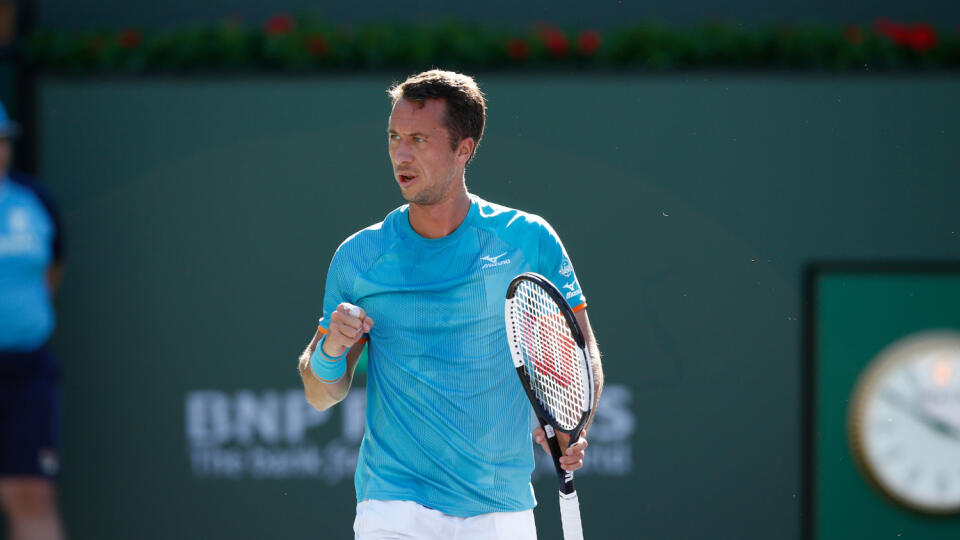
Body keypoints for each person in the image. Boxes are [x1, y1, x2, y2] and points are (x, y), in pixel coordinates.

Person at [298, 70, 603, 539]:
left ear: (464, 149)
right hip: (393, 509)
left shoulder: (529, 240)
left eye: (419, 139)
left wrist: (573, 427)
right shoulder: (358, 258)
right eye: (395, 137)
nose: (401, 153)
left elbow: (580, 350)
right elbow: (321, 393)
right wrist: (331, 351)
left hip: (500, 509)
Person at [0, 99, 66, 540]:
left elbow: (52, 271)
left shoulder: (33, 199)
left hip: (25, 369)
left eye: (2, 140)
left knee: (32, 493)